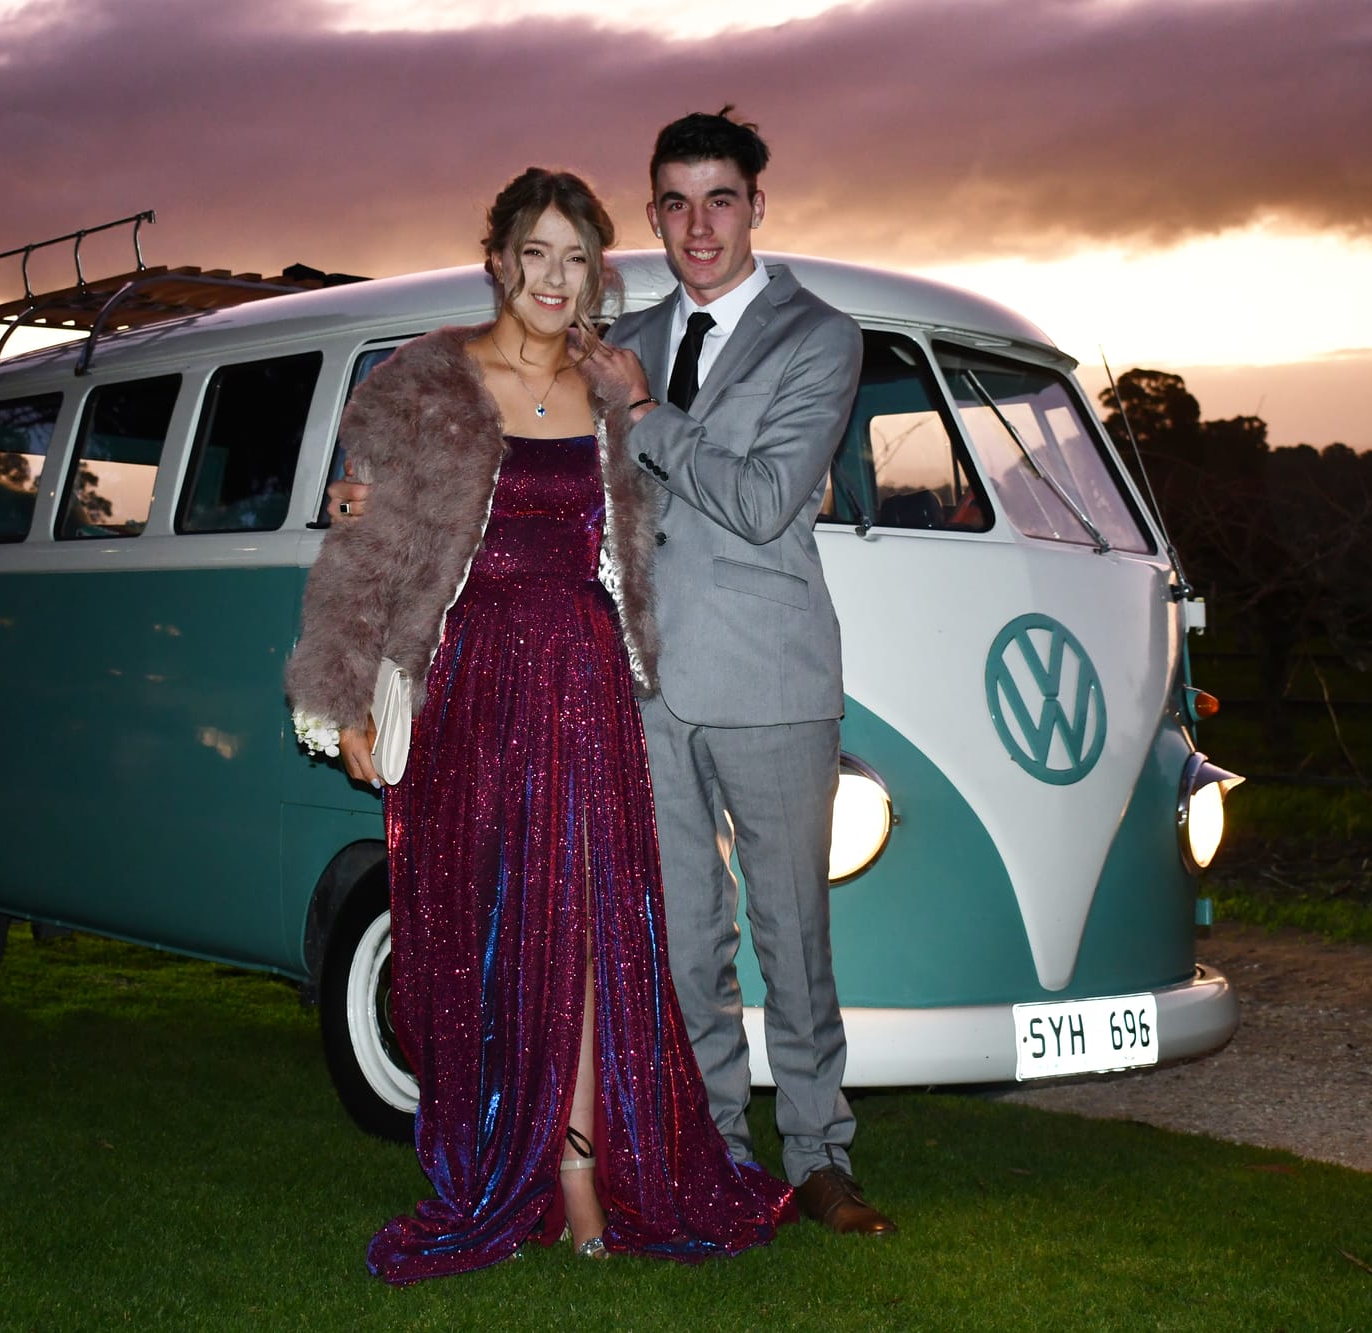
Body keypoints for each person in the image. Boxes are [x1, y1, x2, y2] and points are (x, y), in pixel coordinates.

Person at [286, 168, 794, 1285]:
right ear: (500, 260)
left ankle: (576, 1164)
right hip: (473, 687)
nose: (556, 280)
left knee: (585, 933)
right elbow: (368, 547)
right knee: (487, 932)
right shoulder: (425, 381)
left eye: (577, 259)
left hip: (588, 686)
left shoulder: (613, 390)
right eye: (537, 255)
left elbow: (656, 538)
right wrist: (347, 691)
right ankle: (499, 1152)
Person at [589, 108, 895, 1237]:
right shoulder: (624, 335)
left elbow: (768, 500)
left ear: (757, 203)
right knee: (682, 944)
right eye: (674, 201)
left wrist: (643, 414)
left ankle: (819, 1156)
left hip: (769, 681)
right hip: (649, 686)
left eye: (720, 197)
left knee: (791, 936)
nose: (696, 224)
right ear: (654, 211)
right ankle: (716, 1154)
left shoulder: (818, 336)